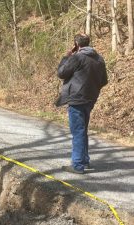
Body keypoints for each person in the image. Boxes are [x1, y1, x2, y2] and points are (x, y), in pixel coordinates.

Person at [56, 34, 108, 174]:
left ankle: (77, 165)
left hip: (77, 99)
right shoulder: (99, 59)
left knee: (78, 131)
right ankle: (84, 160)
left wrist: (66, 57)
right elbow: (104, 81)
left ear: (77, 44)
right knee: (82, 130)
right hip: (90, 99)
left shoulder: (77, 57)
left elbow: (61, 73)